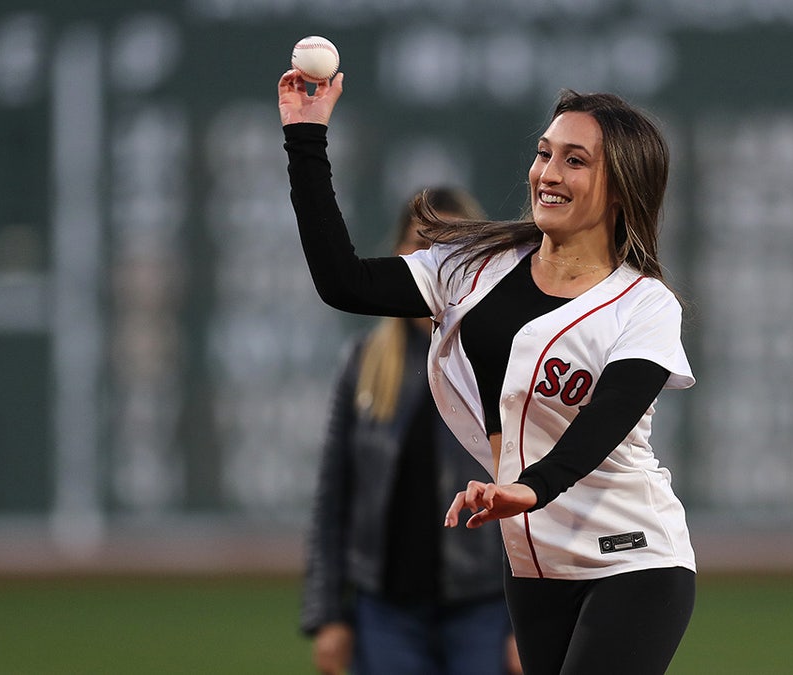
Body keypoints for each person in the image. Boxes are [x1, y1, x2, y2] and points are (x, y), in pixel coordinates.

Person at [279, 67, 697, 675]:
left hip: (633, 557)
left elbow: (606, 420)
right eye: (544, 153)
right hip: (531, 562)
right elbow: (342, 281)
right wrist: (305, 138)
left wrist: (529, 488)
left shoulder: (645, 304)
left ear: (622, 187)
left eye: (575, 161)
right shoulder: (475, 268)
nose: (547, 174)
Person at [300, 187, 521, 675]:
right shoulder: (364, 362)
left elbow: (532, 496)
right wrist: (328, 615)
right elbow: (333, 497)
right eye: (420, 242)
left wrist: (526, 624)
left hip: (484, 607)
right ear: (398, 255)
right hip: (385, 609)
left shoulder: (508, 359)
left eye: (452, 243)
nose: (435, 258)